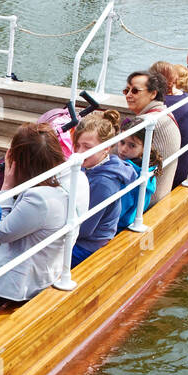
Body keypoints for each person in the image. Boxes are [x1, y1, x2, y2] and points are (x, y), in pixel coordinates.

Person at [0, 123, 79, 303]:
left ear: (16, 160)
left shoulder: (38, 199)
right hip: (42, 274)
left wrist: (6, 187)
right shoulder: (62, 186)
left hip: (17, 287)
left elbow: (0, 233)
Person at [71, 110, 138, 267]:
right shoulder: (88, 166)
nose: (80, 152)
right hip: (80, 235)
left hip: (87, 245)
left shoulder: (104, 182)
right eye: (77, 145)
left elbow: (85, 229)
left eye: (87, 147)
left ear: (106, 148)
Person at [119, 68, 179, 204]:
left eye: (135, 91)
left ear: (153, 94)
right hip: (160, 192)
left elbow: (113, 155)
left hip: (146, 200)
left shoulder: (147, 123)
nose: (128, 95)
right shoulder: (165, 113)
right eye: (126, 90)